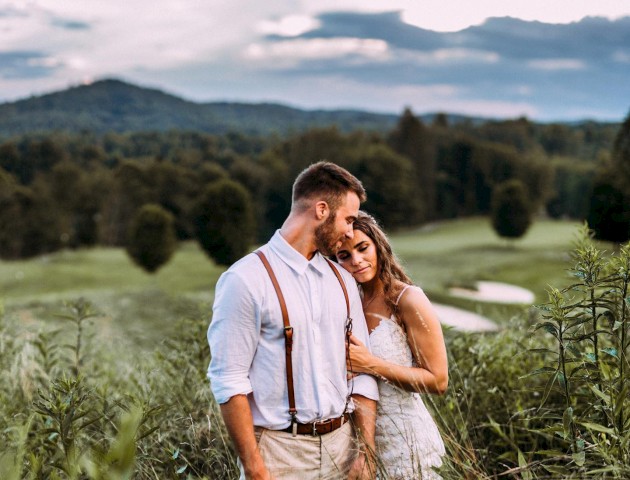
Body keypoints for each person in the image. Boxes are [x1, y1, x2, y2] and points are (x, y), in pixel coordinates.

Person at [207, 162, 379, 480]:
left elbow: (362, 374)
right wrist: (256, 469)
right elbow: (228, 381)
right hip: (278, 452)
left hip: (343, 448)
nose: (350, 231)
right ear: (322, 209)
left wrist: (365, 452)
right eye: (349, 219)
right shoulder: (245, 279)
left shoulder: (343, 281)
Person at [335, 211, 448, 480]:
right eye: (344, 256)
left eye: (363, 248)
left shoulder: (407, 299)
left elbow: (438, 381)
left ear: (378, 245)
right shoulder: (348, 303)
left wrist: (370, 364)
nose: (357, 261)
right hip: (357, 443)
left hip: (405, 440)